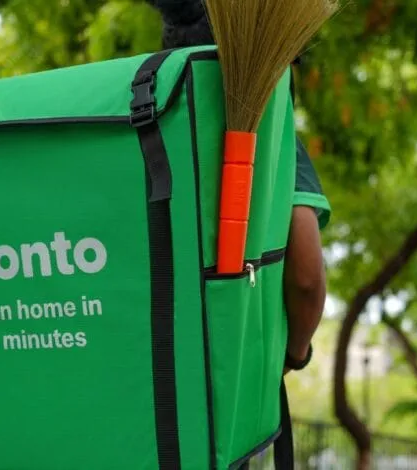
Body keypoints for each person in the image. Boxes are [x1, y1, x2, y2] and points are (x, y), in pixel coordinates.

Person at [156, 0, 331, 375]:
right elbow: (306, 278)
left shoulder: (152, 126)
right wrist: (295, 354)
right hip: (244, 374)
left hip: (167, 373)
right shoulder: (272, 136)